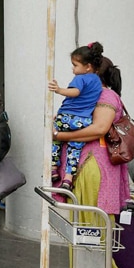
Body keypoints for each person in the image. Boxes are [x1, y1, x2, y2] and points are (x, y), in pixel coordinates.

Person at [52, 44, 127, 268]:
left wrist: (60, 135)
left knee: (86, 227)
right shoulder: (96, 96)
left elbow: (99, 129)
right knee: (93, 226)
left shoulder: (105, 97)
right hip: (93, 167)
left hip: (92, 167)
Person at [48, 43, 103, 190]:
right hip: (84, 121)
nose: (73, 69)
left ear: (88, 66)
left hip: (67, 117)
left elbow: (75, 92)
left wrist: (59, 90)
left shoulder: (80, 78)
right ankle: (68, 178)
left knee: (54, 136)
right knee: (75, 148)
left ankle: (53, 167)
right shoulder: (97, 81)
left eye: (75, 65)